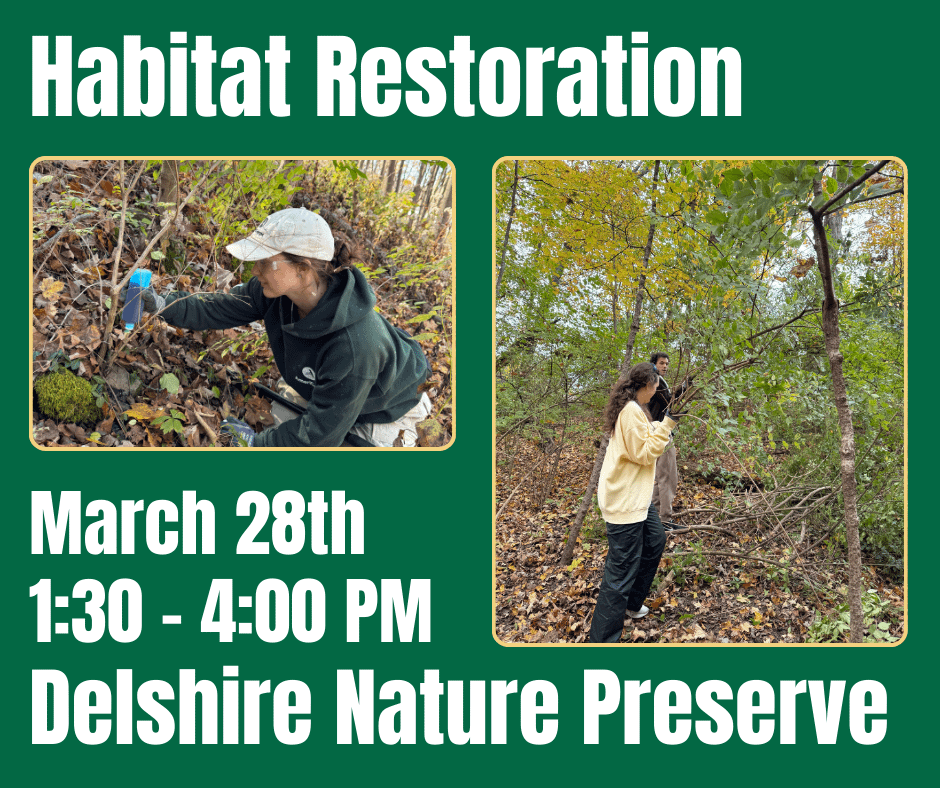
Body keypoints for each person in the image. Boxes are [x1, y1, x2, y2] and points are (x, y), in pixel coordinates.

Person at [126, 207, 431, 447]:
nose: (255, 270)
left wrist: (255, 444)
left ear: (303, 269)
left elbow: (320, 435)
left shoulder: (354, 345)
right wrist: (162, 302)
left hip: (391, 410)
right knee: (283, 422)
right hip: (338, 392)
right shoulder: (276, 292)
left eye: (265, 261)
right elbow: (219, 307)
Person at [589, 362, 680, 643]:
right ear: (644, 386)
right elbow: (643, 453)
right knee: (620, 571)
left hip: (637, 501)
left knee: (654, 542)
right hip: (624, 503)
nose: (655, 393)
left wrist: (658, 424)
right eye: (654, 387)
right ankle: (602, 640)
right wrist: (667, 424)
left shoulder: (634, 410)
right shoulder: (629, 412)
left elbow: (642, 432)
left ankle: (631, 602)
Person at [648, 351, 692, 532]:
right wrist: (685, 387)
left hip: (655, 432)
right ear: (654, 364)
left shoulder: (652, 383)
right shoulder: (655, 382)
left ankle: (656, 518)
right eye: (661, 363)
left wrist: (684, 386)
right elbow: (670, 402)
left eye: (666, 363)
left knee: (659, 479)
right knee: (668, 478)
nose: (665, 366)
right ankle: (664, 521)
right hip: (661, 433)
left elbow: (668, 399)